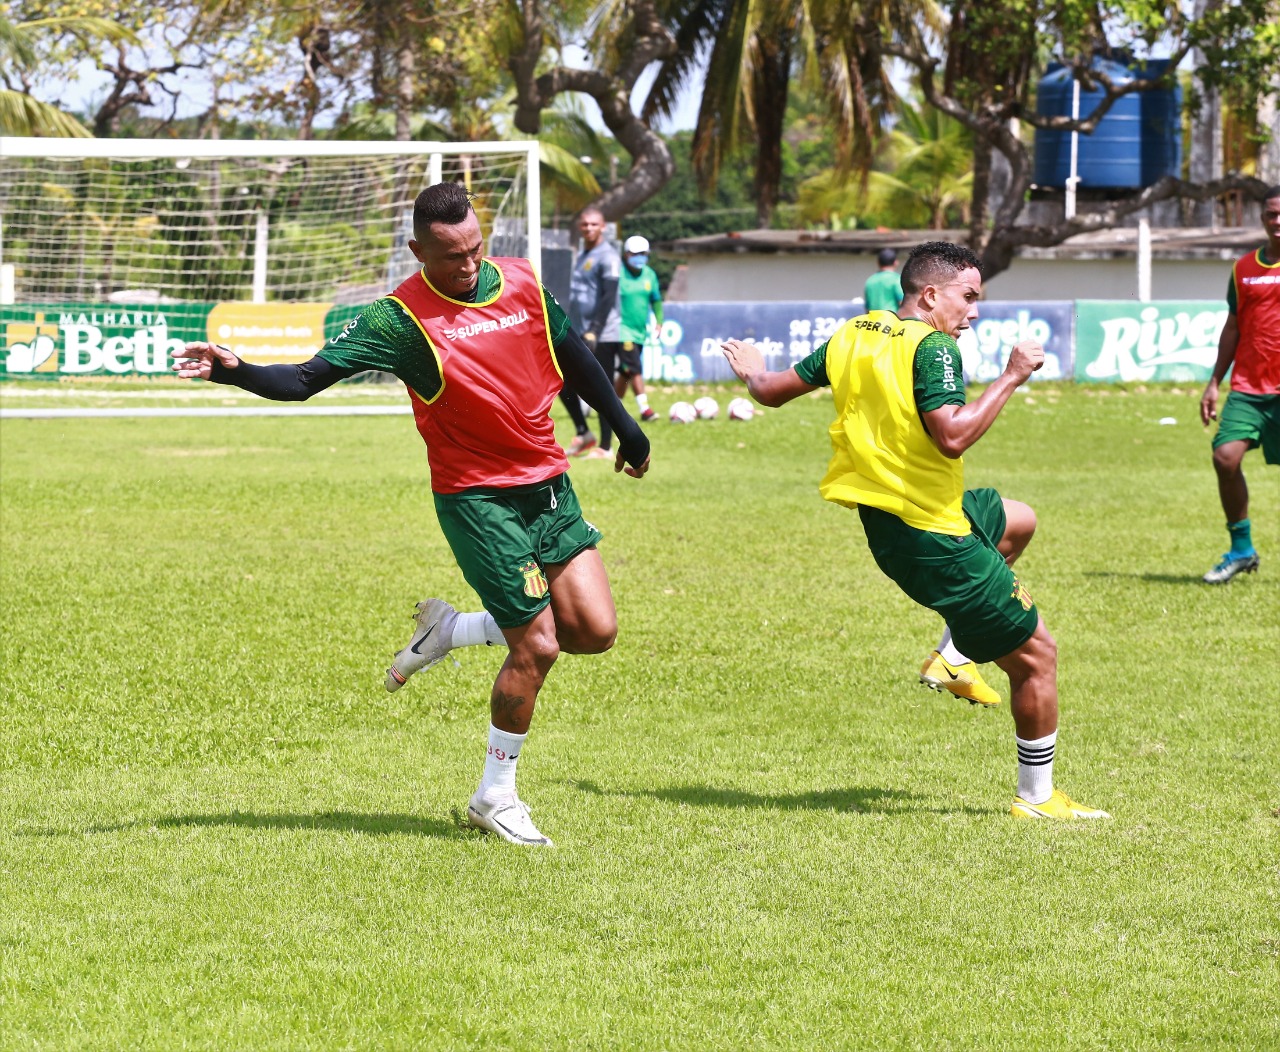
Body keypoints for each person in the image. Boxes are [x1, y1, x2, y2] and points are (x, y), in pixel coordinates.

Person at [172, 181, 651, 847]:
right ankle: (495, 795)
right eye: (453, 255)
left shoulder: (517, 281)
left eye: (476, 249)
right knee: (537, 645)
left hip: (548, 488)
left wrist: (623, 425)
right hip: (478, 499)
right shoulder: (397, 319)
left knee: (594, 631)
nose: (469, 265)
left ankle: (451, 633)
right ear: (418, 249)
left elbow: (571, 353)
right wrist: (236, 371)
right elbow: (305, 379)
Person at [721, 241, 1108, 821]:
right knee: (1037, 657)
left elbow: (773, 391)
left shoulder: (856, 331)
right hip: (932, 534)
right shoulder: (933, 349)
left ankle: (952, 657)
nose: (973, 312)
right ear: (931, 295)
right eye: (968, 297)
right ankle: (1038, 798)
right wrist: (1011, 376)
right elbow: (952, 435)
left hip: (899, 519)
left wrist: (752, 370)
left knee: (1017, 519)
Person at [1199, 185, 1280, 584]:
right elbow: (1233, 326)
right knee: (1225, 457)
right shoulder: (1244, 267)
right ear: (1263, 218)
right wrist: (1215, 381)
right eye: (1271, 214)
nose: (1277, 221)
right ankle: (1242, 549)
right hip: (1249, 387)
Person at [569, 206, 626, 459]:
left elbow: (608, 295)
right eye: (585, 225)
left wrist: (595, 329)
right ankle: (584, 433)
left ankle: (605, 446)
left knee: (601, 388)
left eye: (594, 224)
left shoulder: (608, 256)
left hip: (602, 334)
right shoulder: (583, 254)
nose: (589, 228)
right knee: (561, 380)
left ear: (603, 227)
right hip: (583, 330)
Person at [617, 234, 662, 421]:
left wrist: (659, 322)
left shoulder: (650, 274)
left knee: (626, 371)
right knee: (635, 368)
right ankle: (645, 409)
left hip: (639, 331)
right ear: (626, 254)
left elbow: (656, 300)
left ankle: (610, 406)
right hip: (621, 330)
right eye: (635, 253)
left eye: (643, 253)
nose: (639, 257)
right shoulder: (617, 273)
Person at [863, 248, 904, 312]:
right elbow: (902, 303)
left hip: (874, 320)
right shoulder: (897, 279)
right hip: (891, 320)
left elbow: (867, 308)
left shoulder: (870, 280)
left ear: (878, 263)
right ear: (896, 262)